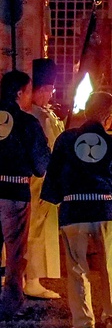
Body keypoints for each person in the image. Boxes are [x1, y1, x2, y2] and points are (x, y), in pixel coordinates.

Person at [41, 91, 112, 328]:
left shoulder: (65, 141)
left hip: (73, 211)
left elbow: (53, 176)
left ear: (85, 112)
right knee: (108, 267)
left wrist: (56, 198)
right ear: (109, 119)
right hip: (104, 210)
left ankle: (84, 327)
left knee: (77, 269)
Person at [0, 70, 51, 319]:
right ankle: (11, 304)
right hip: (14, 192)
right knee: (15, 253)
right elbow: (41, 164)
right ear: (20, 92)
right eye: (29, 91)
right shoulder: (27, 122)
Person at [23, 58, 64, 299]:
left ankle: (21, 276)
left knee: (25, 229)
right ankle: (33, 278)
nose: (50, 94)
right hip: (41, 180)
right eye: (48, 90)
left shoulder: (30, 114)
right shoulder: (42, 117)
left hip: (27, 180)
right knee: (37, 229)